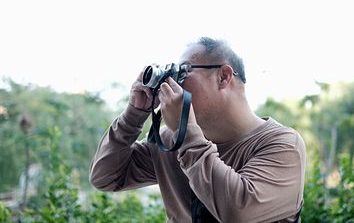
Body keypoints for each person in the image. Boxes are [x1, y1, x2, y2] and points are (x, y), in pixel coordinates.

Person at [89, 37, 306, 223]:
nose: (173, 83)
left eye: (182, 73)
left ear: (223, 76)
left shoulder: (282, 145)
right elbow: (105, 177)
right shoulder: (171, 139)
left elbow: (237, 212)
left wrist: (186, 133)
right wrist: (134, 114)